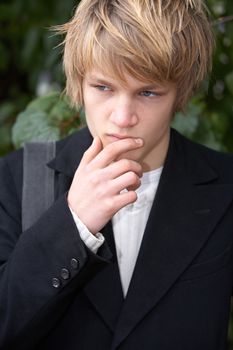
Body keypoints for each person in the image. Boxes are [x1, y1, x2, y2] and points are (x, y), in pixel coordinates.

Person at [0, 0, 233, 349]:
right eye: (104, 88)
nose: (122, 117)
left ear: (180, 93)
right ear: (78, 83)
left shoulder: (226, 185)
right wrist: (73, 222)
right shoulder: (15, 178)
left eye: (148, 92)